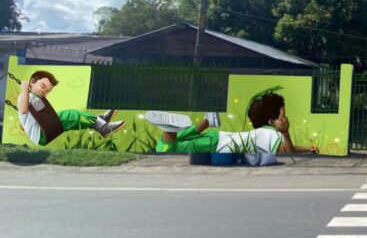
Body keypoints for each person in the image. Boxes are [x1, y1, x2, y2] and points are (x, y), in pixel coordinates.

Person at [149, 89, 318, 158]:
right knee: (174, 147)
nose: (285, 116)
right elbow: (287, 153)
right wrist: (285, 133)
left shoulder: (268, 134)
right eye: (283, 112)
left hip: (216, 140)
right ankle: (175, 128)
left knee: (172, 145)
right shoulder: (269, 133)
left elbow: (289, 149)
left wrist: (307, 149)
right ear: (271, 120)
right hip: (216, 144)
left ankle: (201, 123)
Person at [17, 70, 125, 146]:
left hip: (44, 129)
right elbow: (23, 110)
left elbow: (27, 121)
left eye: (47, 91)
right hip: (42, 133)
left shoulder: (34, 98)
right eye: (43, 86)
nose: (44, 92)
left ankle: (99, 120)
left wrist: (25, 124)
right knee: (72, 115)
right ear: (32, 82)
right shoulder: (26, 96)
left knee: (73, 120)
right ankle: (103, 127)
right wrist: (24, 89)